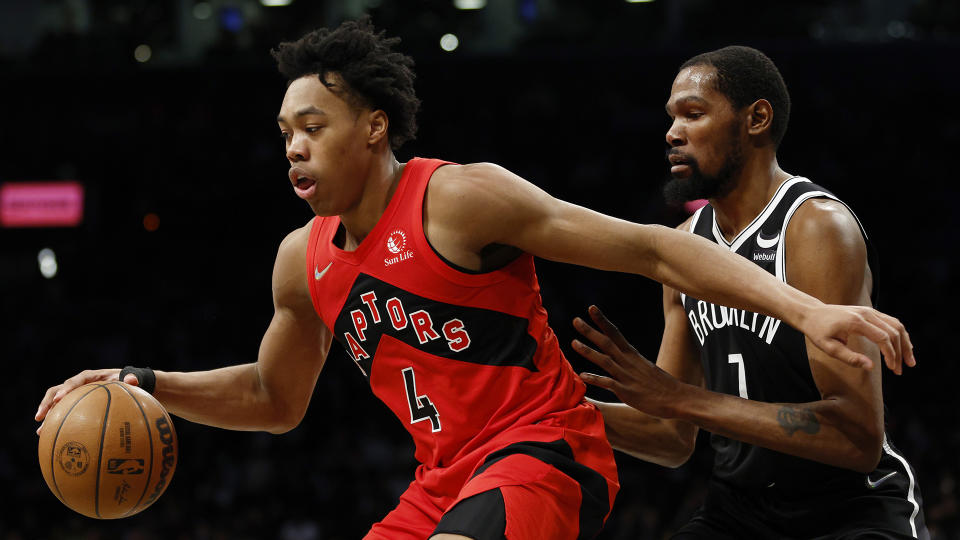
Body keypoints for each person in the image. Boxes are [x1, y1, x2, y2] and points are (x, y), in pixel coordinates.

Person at [35, 22, 913, 540]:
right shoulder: (301, 260)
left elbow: (650, 247)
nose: (293, 145)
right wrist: (141, 382)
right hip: (445, 476)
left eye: (313, 125)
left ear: (374, 127)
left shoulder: (457, 198)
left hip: (548, 456)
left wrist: (809, 310)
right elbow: (273, 396)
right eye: (283, 130)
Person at [576, 46, 928, 539]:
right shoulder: (682, 245)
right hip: (739, 512)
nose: (672, 133)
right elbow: (670, 434)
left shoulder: (815, 227)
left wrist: (680, 398)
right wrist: (550, 409)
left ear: (757, 118)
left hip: (849, 511)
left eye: (693, 114)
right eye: (671, 117)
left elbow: (857, 438)